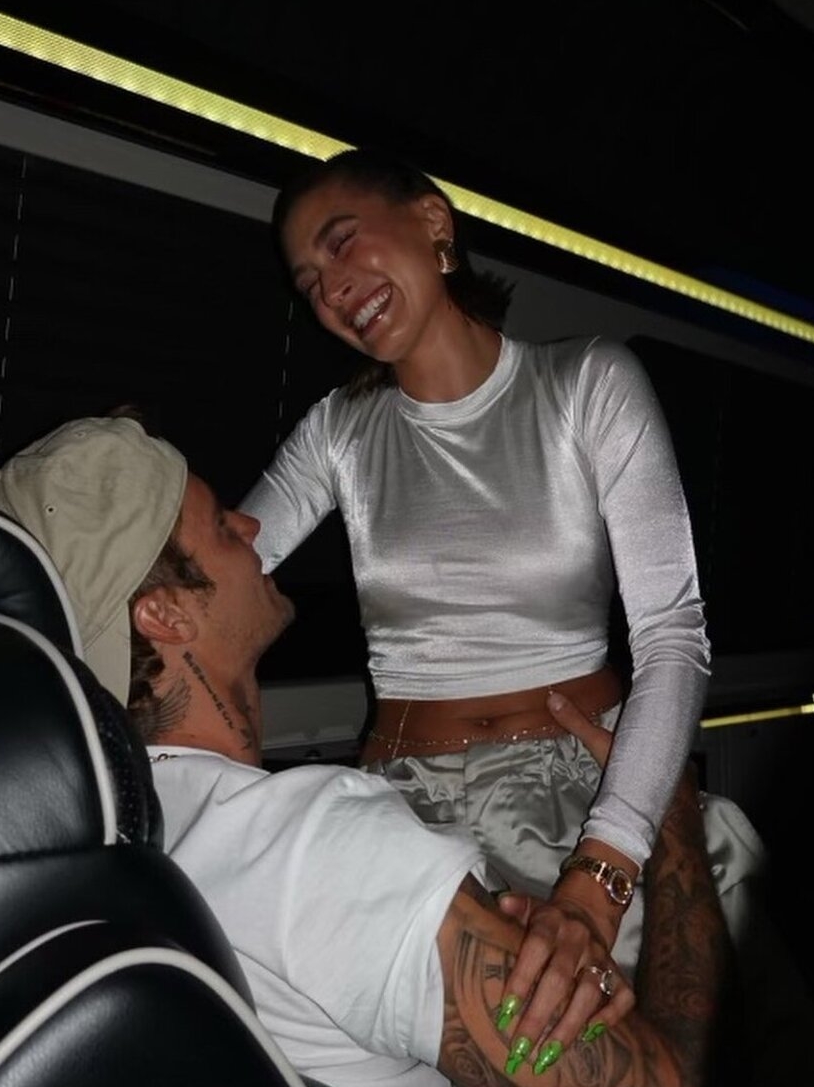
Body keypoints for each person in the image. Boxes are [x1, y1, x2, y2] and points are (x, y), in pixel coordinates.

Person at [0, 413, 733, 1087]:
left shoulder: (105, 849)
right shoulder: (308, 849)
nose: (252, 527)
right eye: (220, 527)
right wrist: (672, 828)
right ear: (165, 616)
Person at [239, 147, 764, 1019]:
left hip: (587, 792)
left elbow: (672, 634)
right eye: (308, 283)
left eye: (341, 243)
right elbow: (221, 568)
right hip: (409, 810)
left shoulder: (586, 382)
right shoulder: (339, 433)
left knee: (675, 1063)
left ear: (432, 223)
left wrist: (604, 868)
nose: (331, 289)